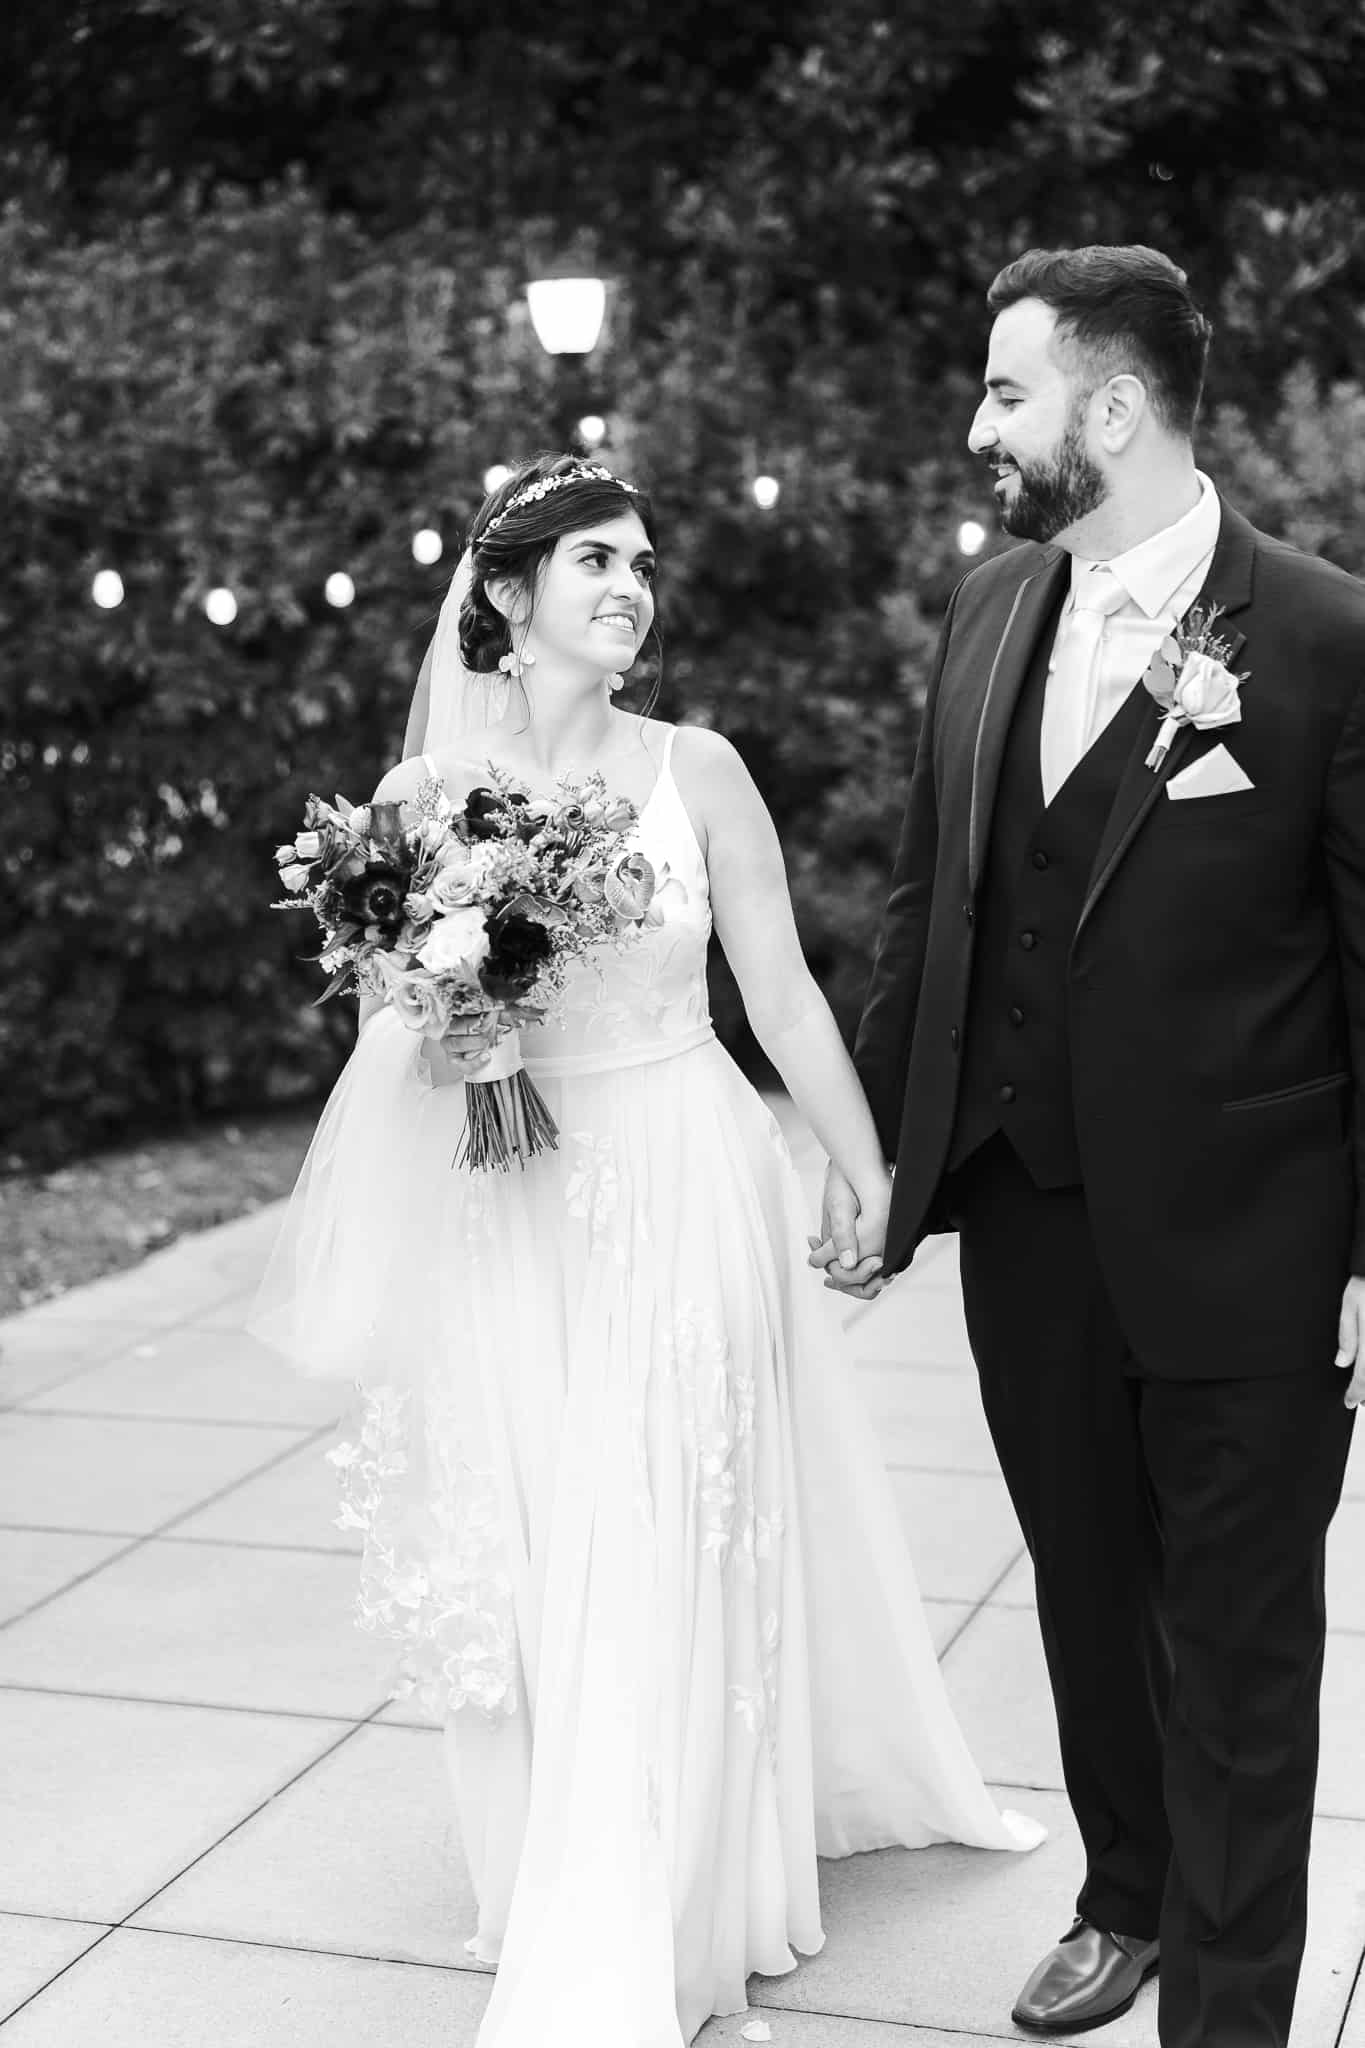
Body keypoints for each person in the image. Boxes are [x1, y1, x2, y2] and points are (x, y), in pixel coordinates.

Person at [250, 452, 1041, 2048]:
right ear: (506, 594)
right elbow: (394, 1035)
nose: (629, 588)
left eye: (642, 565)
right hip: (511, 1204)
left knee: (667, 1512)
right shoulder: (413, 805)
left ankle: (663, 1888)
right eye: (595, 561)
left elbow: (786, 998)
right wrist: (455, 1021)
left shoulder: (700, 771)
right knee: (544, 1521)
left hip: (682, 1169)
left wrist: (869, 1176)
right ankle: (560, 1846)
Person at [815, 246, 1365, 2047]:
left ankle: (1227, 2012)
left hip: (1254, 1242)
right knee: (1085, 1590)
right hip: (1029, 1220)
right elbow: (933, 909)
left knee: (1243, 1645)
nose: (977, 427)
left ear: (1112, 409)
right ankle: (1124, 1893)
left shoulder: (1325, 637)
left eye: (1005, 392)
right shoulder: (990, 607)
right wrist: (882, 1166)